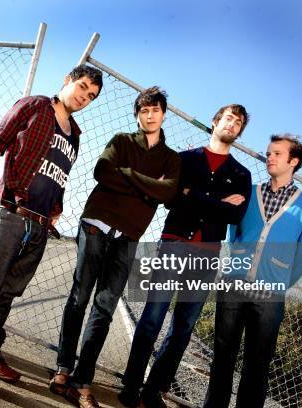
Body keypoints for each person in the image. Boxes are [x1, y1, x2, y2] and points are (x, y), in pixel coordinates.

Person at [0, 65, 103, 391]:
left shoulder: (75, 134)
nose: (84, 97)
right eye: (82, 87)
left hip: (39, 226)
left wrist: (55, 210)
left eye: (91, 95)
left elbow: (59, 176)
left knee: (6, 294)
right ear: (67, 80)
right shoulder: (34, 105)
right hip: (12, 213)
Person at [50, 86, 181, 408]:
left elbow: (167, 193)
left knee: (104, 309)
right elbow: (102, 172)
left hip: (128, 236)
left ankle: (82, 381)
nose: (149, 116)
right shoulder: (122, 141)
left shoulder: (171, 158)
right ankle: (63, 370)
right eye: (143, 111)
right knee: (79, 298)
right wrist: (146, 189)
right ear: (138, 115)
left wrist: (129, 175)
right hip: (96, 224)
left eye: (155, 110)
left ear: (164, 114)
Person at [119, 104, 252, 408]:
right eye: (229, 118)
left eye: (239, 122)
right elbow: (172, 199)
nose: (232, 124)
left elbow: (235, 216)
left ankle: (153, 391)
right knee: (152, 318)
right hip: (175, 243)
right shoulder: (186, 159)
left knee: (183, 328)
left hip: (207, 255)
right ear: (215, 121)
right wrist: (214, 201)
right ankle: (131, 384)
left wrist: (196, 197)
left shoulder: (241, 174)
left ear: (240, 132)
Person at [203, 134, 302, 408]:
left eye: (277, 153)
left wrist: (280, 280)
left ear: (293, 161)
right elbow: (235, 233)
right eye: (269, 153)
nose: (270, 157)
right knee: (222, 356)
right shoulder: (251, 193)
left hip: (270, 295)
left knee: (257, 365)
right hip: (233, 286)